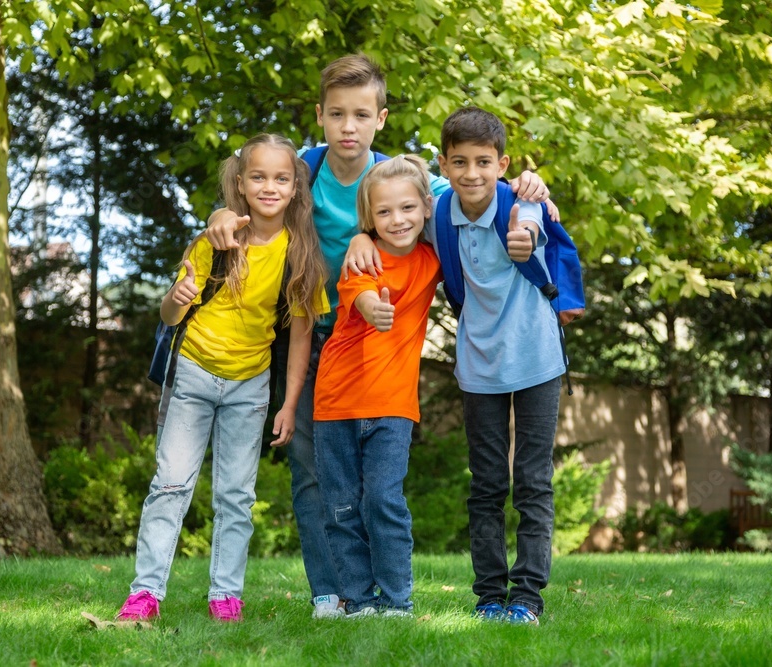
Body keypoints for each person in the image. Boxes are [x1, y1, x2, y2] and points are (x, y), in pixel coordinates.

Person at [203, 54, 550, 619]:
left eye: (361, 115)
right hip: (312, 338)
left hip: (380, 350)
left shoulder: (404, 179)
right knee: (315, 475)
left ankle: (379, 594)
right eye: (337, 114)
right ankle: (329, 592)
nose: (348, 127)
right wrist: (222, 212)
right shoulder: (305, 170)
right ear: (320, 116)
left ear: (380, 120)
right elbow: (253, 196)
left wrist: (529, 190)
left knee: (374, 486)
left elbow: (476, 187)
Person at [346, 106, 563, 625]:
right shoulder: (438, 213)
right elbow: (391, 216)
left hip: (538, 360)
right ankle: (489, 595)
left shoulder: (519, 204)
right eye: (459, 162)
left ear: (503, 163)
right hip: (479, 368)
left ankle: (527, 598)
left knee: (533, 481)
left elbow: (531, 222)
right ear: (442, 166)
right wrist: (360, 235)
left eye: (484, 162)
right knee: (487, 483)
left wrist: (527, 231)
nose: (472, 174)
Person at [116, 134, 328, 623]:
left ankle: (225, 597)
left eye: (281, 178)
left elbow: (300, 339)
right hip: (192, 372)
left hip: (250, 385)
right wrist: (179, 294)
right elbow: (170, 314)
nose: (269, 187)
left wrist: (290, 403)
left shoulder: (300, 255)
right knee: (170, 485)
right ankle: (145, 594)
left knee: (236, 495)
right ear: (240, 183)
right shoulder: (216, 238)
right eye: (258, 177)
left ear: (296, 186)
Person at [313, 154, 440, 618]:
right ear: (369, 218)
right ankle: (358, 601)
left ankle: (397, 601)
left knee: (385, 500)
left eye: (407, 208)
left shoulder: (432, 257)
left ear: (425, 207)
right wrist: (374, 309)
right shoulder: (361, 257)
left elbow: (470, 201)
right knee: (341, 506)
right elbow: (362, 295)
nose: (397, 219)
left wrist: (529, 193)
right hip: (336, 400)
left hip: (392, 403)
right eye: (383, 212)